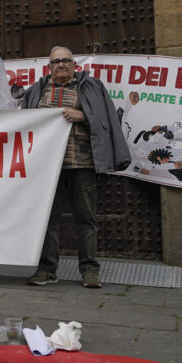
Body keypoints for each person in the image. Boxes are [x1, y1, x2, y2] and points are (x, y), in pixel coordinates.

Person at [23, 46, 131, 289]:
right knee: (47, 219)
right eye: (56, 62)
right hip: (46, 167)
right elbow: (25, 126)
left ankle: (90, 270)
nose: (61, 65)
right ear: (49, 67)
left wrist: (82, 116)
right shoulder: (36, 91)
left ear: (74, 65)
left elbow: (107, 121)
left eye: (66, 60)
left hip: (82, 163)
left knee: (86, 218)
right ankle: (47, 270)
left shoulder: (92, 87)